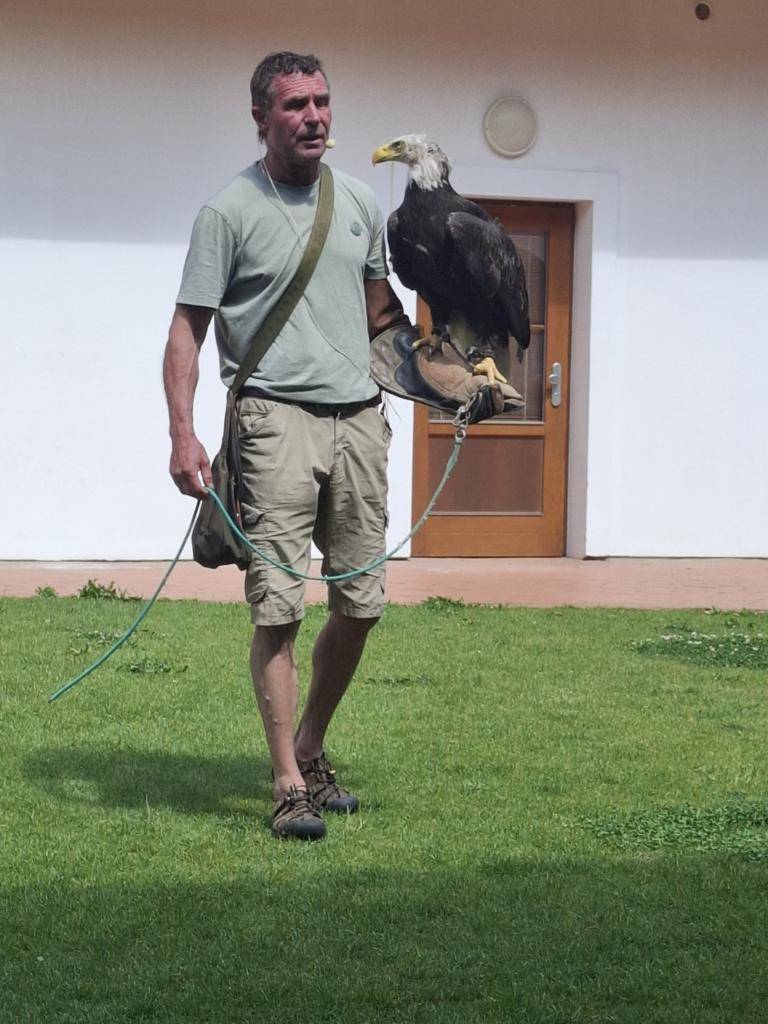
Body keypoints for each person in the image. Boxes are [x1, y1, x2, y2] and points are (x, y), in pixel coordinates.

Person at [162, 52, 409, 840]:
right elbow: (184, 336)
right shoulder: (228, 212)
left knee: (361, 604)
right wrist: (183, 431)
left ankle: (312, 744)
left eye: (324, 102)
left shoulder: (362, 202)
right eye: (297, 104)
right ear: (262, 117)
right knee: (279, 606)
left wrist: (450, 382)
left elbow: (381, 321)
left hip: (360, 421)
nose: (315, 117)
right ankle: (286, 782)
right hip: (273, 421)